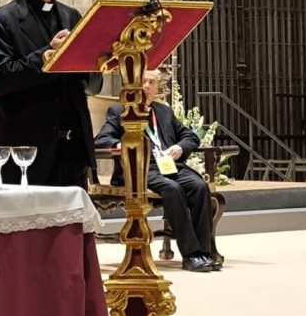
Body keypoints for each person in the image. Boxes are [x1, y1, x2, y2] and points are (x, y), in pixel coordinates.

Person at [0, 0, 100, 187]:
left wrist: (97, 60)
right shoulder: (2, 21)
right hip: (27, 153)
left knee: (72, 226)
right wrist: (47, 55)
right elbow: (0, 78)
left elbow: (92, 85)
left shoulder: (73, 17)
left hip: (73, 151)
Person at [94, 69, 219, 273]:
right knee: (173, 189)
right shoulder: (119, 111)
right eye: (142, 81)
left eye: (152, 82)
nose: (146, 86)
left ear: (156, 88)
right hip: (139, 169)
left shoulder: (163, 111)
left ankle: (204, 253)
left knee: (199, 186)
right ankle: (191, 255)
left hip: (169, 165)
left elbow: (191, 136)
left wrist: (180, 148)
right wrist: (125, 145)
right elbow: (101, 140)